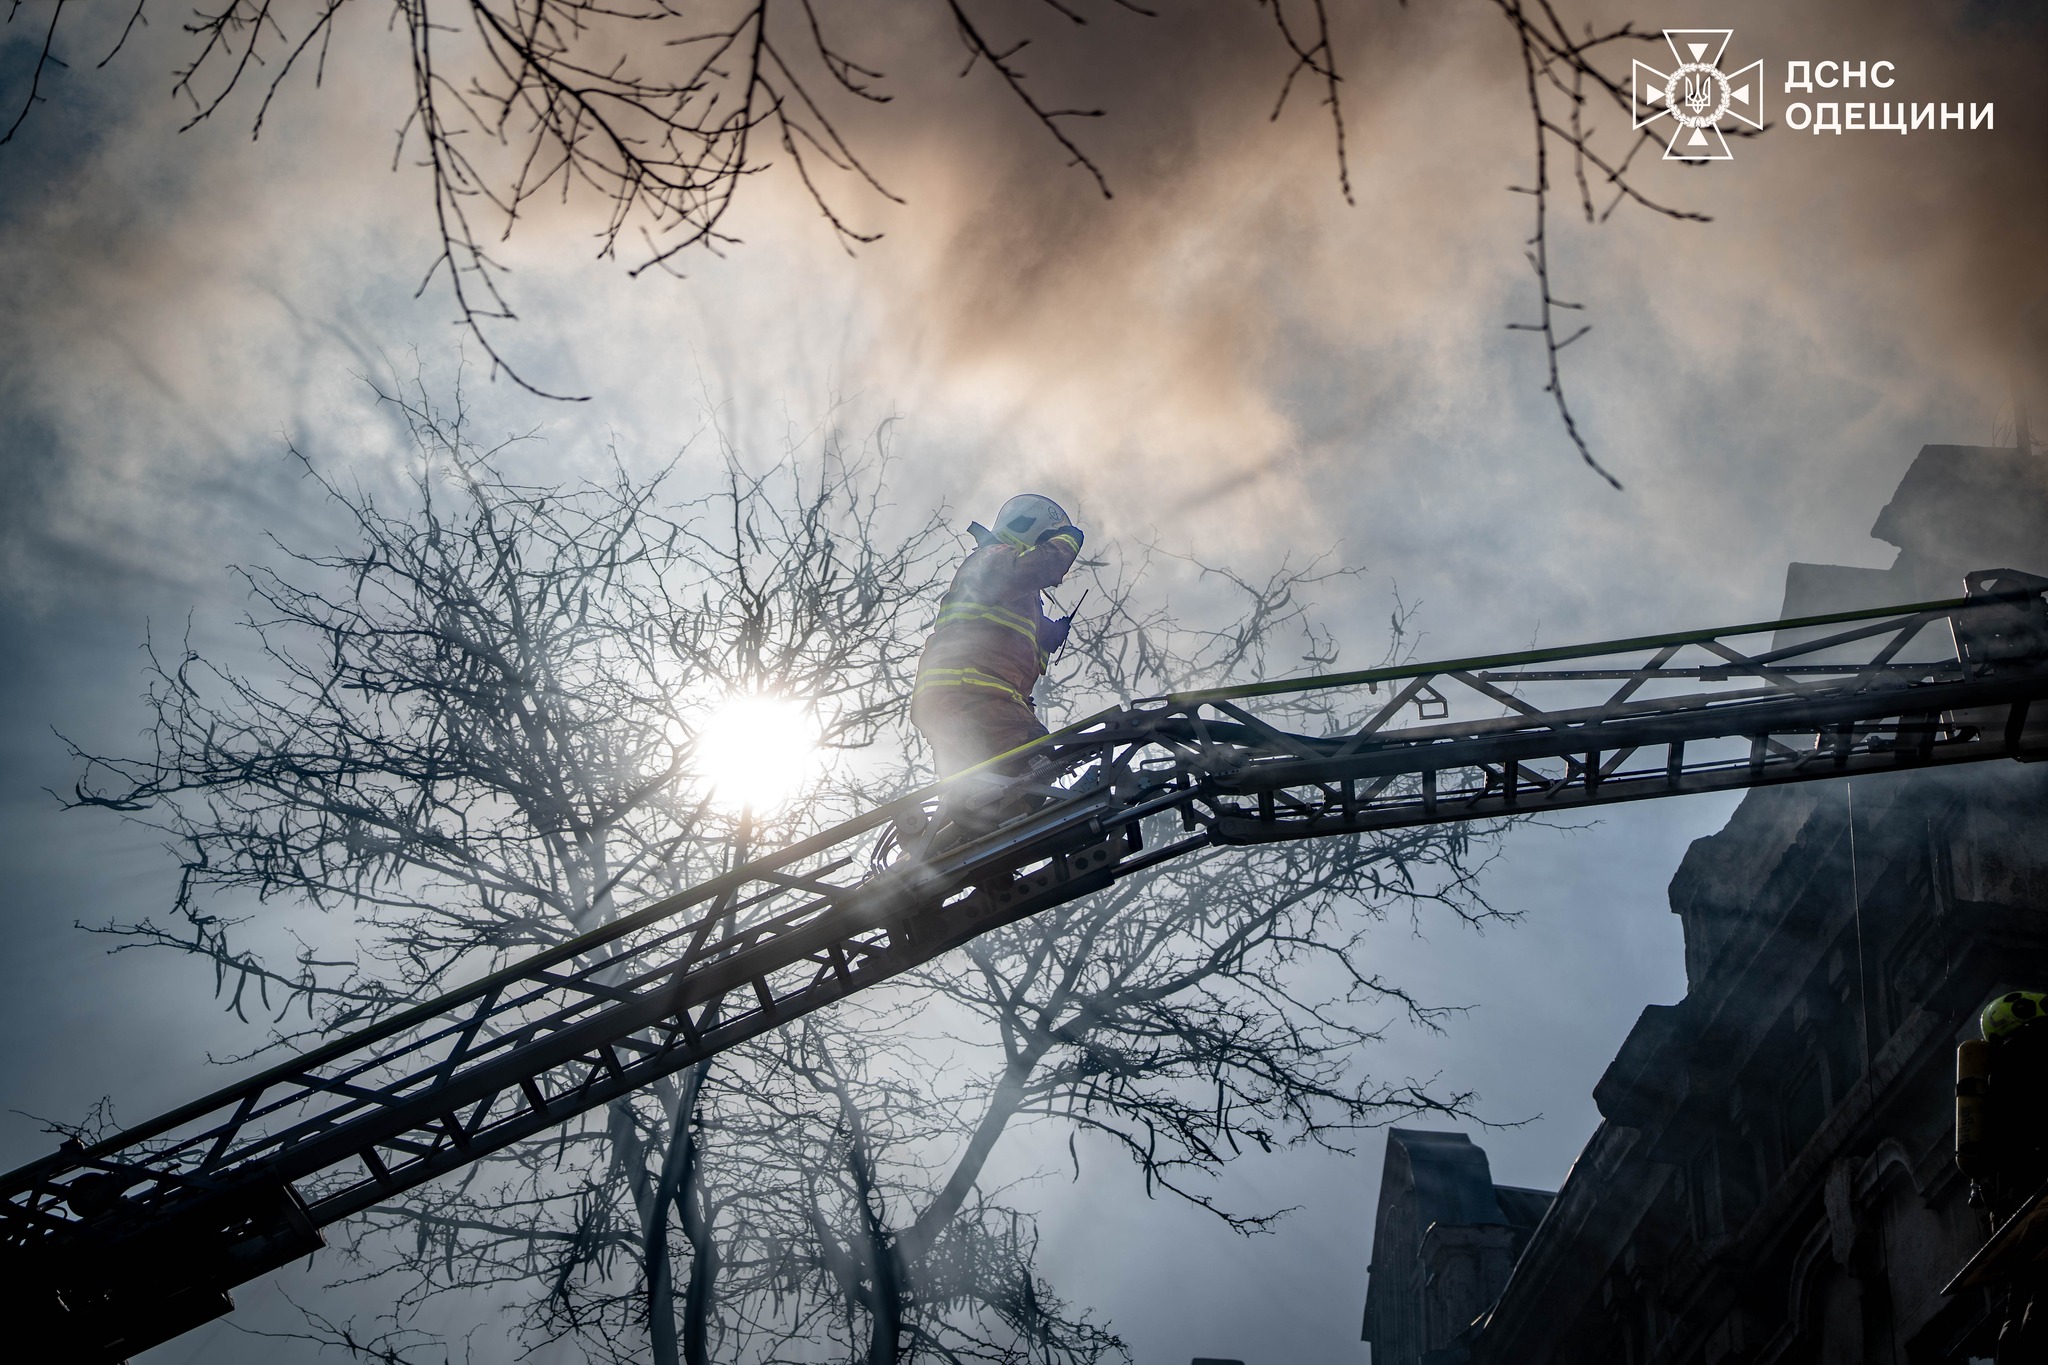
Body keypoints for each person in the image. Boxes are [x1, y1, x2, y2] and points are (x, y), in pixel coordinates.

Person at [909, 494, 1084, 826]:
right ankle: (987, 826)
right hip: (972, 694)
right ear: (1034, 530)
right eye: (1045, 540)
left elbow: (1002, 633)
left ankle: (961, 853)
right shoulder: (993, 558)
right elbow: (1039, 567)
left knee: (974, 801)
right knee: (1030, 759)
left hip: (954, 698)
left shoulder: (997, 579)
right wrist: (1069, 539)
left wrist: (1045, 638)